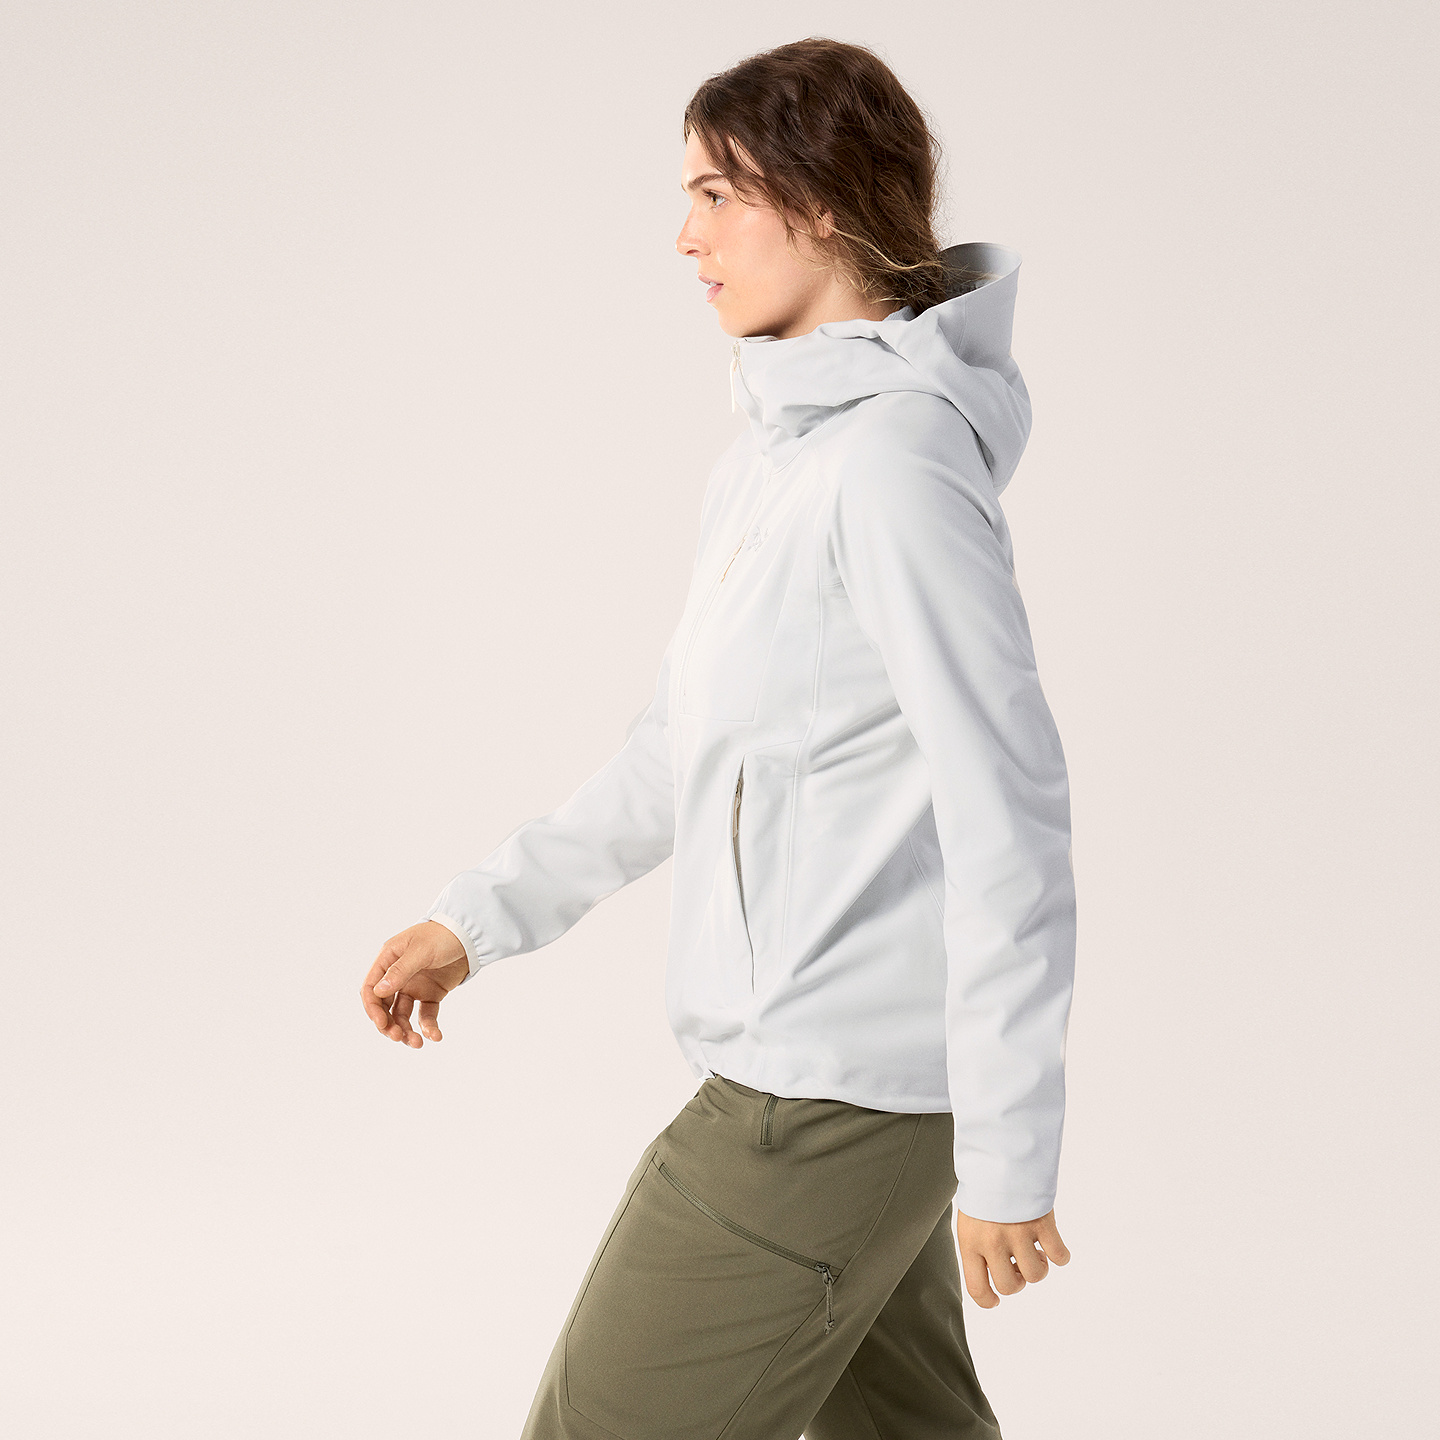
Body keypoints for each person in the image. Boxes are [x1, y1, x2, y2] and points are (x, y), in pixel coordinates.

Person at [360, 36, 1076, 1440]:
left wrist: (1011, 1143)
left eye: (714, 194)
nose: (683, 237)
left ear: (822, 203)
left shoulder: (893, 467)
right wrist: (478, 920)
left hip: (820, 1101)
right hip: (835, 1083)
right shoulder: (773, 464)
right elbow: (682, 746)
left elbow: (1009, 804)